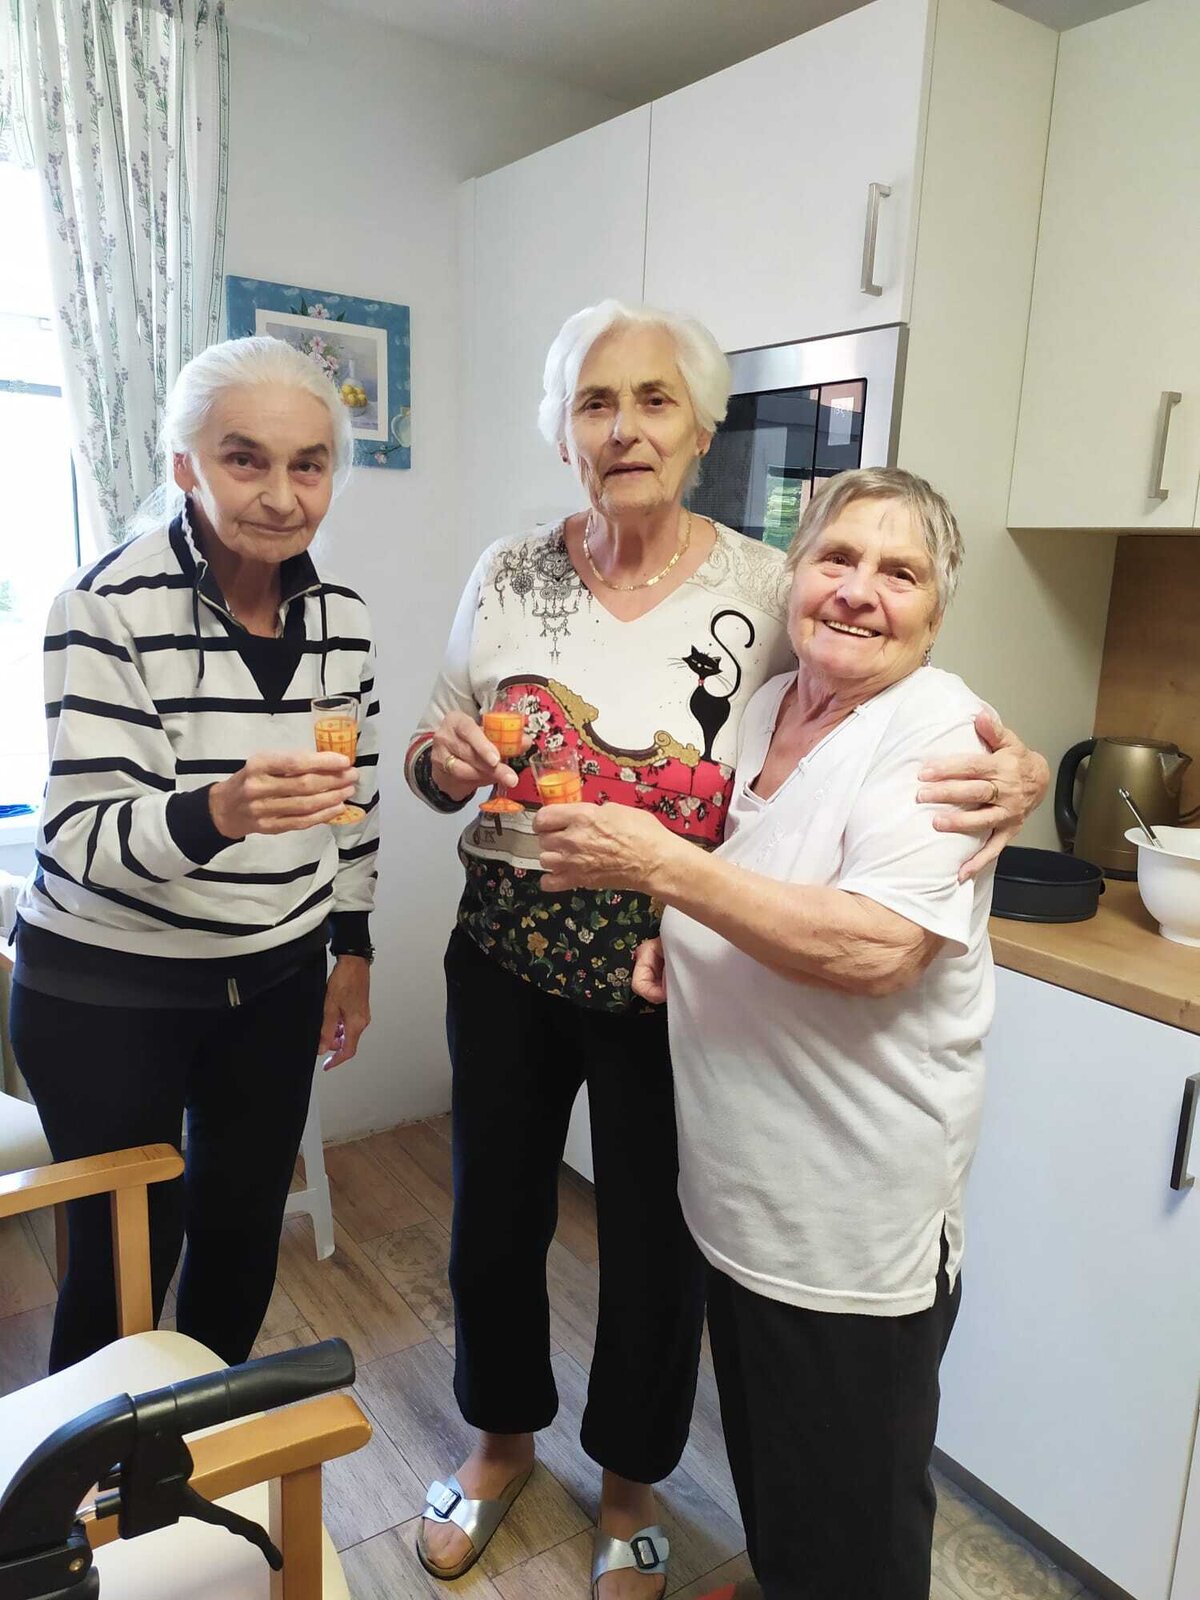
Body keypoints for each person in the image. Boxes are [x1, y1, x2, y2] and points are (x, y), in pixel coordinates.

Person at [406, 303, 1044, 1599]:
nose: (625, 427)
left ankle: (631, 1482)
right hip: (508, 953)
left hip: (673, 972)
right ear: (563, 431)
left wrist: (1015, 767)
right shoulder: (506, 573)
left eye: (656, 400)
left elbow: (885, 692)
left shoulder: (769, 583)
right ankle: (499, 1441)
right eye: (596, 402)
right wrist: (441, 762)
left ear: (702, 429)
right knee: (493, 1219)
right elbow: (431, 746)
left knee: (658, 1245)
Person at [534, 467, 1006, 1600]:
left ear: (938, 610)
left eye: (900, 573)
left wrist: (661, 870)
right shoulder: (766, 706)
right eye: (838, 557)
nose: (859, 590)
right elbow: (751, 879)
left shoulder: (940, 732)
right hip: (743, 1193)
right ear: (796, 573)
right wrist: (678, 935)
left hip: (848, 1226)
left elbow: (877, 948)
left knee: (856, 1527)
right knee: (781, 1478)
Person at [8, 335, 379, 1372]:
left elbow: (356, 804)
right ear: (185, 465)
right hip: (108, 987)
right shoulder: (104, 606)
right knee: (127, 1258)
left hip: (274, 979)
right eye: (244, 458)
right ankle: (98, 1463)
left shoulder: (344, 622)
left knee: (242, 1231)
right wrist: (218, 810)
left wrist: (352, 947)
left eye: (309, 464)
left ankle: (199, 1435)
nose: (281, 495)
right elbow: (83, 838)